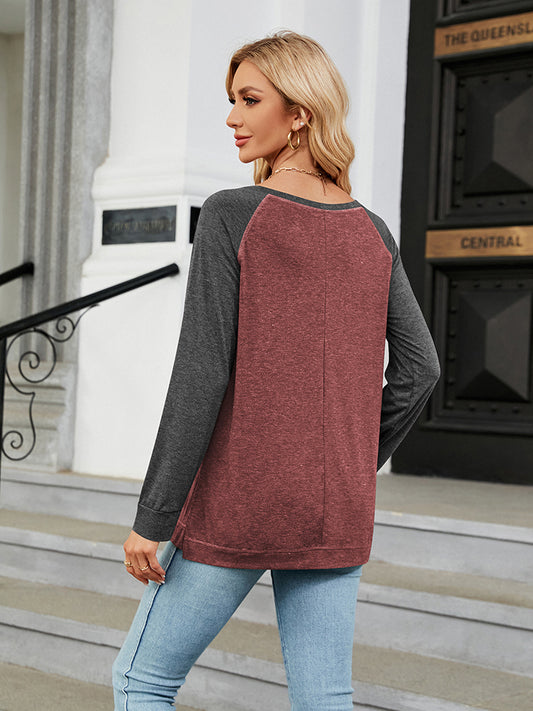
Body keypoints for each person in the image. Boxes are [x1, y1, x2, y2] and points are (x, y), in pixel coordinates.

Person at [112, 30, 440, 711]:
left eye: (249, 99)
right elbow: (421, 370)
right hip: (335, 505)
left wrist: (154, 515)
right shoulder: (372, 231)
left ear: (299, 113)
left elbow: (201, 374)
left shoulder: (234, 215)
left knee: (141, 681)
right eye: (232, 99)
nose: (231, 117)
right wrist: (348, 462)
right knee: (324, 697)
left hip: (242, 499)